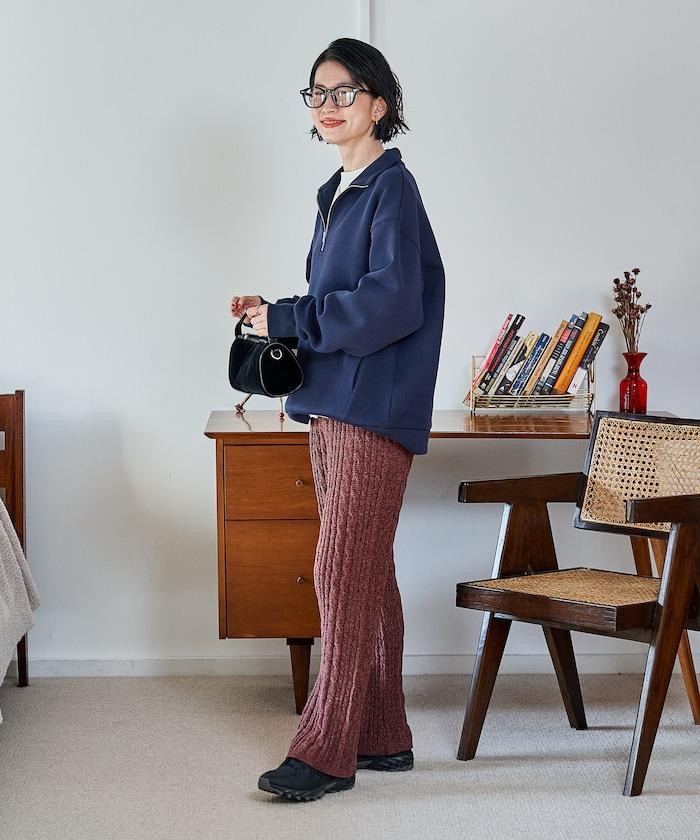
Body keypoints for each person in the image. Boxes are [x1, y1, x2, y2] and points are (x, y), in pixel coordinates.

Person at [230, 37, 445, 802]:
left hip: (371, 408)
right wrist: (274, 315)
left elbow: (392, 304)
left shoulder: (392, 188)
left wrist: (292, 317)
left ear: (379, 104)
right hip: (331, 403)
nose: (327, 105)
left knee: (339, 569)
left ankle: (326, 750)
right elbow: (341, 303)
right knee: (367, 570)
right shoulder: (338, 192)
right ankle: (384, 734)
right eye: (316, 93)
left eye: (344, 91)